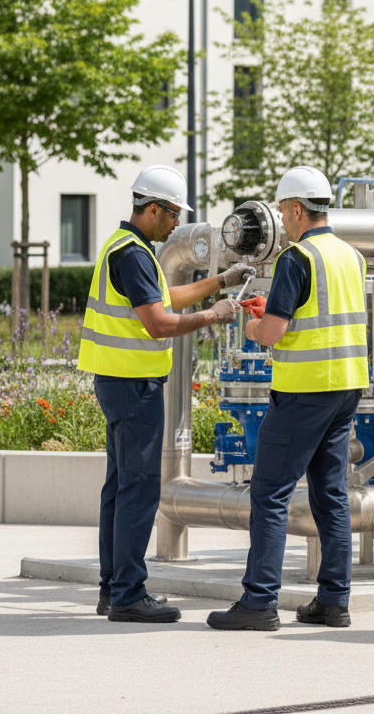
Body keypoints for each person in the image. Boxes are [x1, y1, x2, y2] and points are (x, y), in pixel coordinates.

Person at [78, 165, 250, 623]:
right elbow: (158, 323)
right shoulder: (133, 255)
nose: (176, 222)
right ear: (151, 208)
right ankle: (129, 595)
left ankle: (113, 590)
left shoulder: (126, 247)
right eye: (172, 213)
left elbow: (163, 299)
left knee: (119, 489)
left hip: (119, 382)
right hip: (134, 387)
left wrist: (222, 281)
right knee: (137, 491)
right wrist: (214, 316)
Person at [208, 166, 369, 631]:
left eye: (282, 210)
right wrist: (272, 313)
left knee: (270, 494)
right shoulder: (351, 257)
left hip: (303, 390)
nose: (282, 219)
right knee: (331, 496)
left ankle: (259, 602)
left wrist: (252, 325)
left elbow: (273, 333)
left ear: (297, 208)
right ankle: (334, 601)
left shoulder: (297, 259)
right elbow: (315, 315)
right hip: (346, 387)